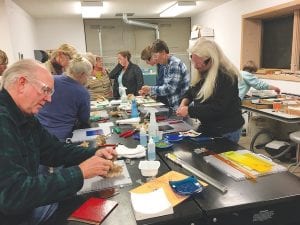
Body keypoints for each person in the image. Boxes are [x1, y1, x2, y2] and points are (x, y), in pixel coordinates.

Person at [0, 59, 115, 225]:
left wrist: (93, 152)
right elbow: (13, 195)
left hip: (25, 210)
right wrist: (80, 172)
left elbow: (54, 150)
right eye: (45, 90)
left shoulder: (25, 116)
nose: (49, 100)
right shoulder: (4, 122)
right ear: (21, 83)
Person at [176, 38, 244, 143]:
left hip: (226, 129)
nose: (195, 66)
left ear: (211, 60)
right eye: (194, 62)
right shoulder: (203, 72)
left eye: (198, 64)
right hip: (209, 125)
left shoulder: (226, 77)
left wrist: (189, 110)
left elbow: (217, 108)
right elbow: (191, 91)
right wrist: (183, 103)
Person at [37, 54, 92, 141]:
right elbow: (84, 119)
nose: (88, 79)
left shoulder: (50, 79)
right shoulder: (82, 92)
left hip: (38, 133)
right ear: (82, 74)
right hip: (62, 137)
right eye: (88, 76)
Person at [139, 39, 190, 112]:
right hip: (174, 107)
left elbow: (170, 89)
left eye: (156, 56)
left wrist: (150, 89)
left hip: (180, 107)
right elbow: (164, 86)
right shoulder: (166, 65)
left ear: (163, 52)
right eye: (153, 56)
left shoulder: (174, 64)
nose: (155, 59)